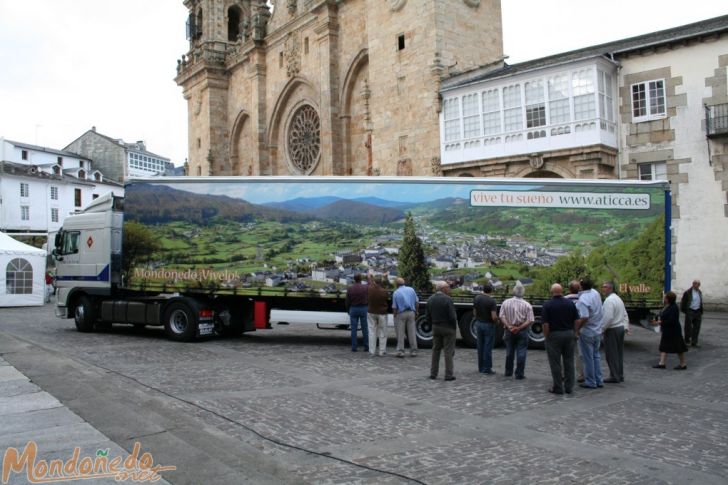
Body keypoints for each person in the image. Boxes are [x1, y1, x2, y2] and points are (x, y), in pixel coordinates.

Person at [542, 283, 579, 394]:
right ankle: (569, 387)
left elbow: (545, 324)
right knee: (569, 361)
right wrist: (575, 332)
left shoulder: (547, 305)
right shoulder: (570, 303)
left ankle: (558, 387)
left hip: (554, 335)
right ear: (562, 291)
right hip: (568, 334)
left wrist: (546, 336)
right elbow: (577, 320)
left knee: (555, 362)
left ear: (551, 291)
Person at [498, 282, 534, 380]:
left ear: (513, 292)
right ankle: (519, 374)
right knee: (521, 352)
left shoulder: (506, 302)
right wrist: (519, 327)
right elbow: (530, 320)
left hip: (509, 329)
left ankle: (508, 371)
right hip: (522, 330)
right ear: (523, 293)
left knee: (509, 351)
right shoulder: (527, 305)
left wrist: (509, 326)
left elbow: (501, 316)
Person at [575, 277, 604, 389]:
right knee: (596, 356)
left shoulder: (583, 299)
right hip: (597, 329)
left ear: (581, 286)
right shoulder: (595, 293)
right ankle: (599, 379)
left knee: (587, 358)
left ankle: (591, 381)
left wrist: (577, 329)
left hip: (587, 331)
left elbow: (584, 317)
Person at [426, 282, 458, 381]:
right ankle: (448, 375)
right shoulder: (448, 299)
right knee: (448, 352)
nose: (449, 289)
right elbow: (452, 316)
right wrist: (454, 327)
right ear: (443, 289)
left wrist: (432, 325)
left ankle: (433, 373)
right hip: (447, 327)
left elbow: (428, 316)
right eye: (448, 287)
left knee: (435, 350)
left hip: (436, 327)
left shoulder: (430, 299)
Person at [601, 281, 630, 383]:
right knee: (618, 353)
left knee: (611, 354)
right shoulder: (618, 299)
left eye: (605, 287)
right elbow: (625, 314)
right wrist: (625, 326)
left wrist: (601, 329)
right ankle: (619, 374)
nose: (603, 289)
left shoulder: (609, 301)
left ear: (610, 288)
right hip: (619, 327)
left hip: (612, 329)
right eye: (603, 287)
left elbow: (608, 317)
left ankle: (614, 375)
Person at [652, 291, 688, 369]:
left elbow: (672, 320)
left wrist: (660, 322)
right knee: (664, 346)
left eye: (665, 297)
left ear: (668, 299)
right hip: (667, 330)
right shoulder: (667, 306)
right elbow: (662, 314)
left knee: (679, 348)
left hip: (674, 331)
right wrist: (658, 319)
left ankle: (683, 364)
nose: (664, 298)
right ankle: (662, 363)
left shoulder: (674, 307)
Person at [473, 282, 498, 374]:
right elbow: (494, 316)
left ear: (483, 289)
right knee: (488, 346)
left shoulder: (477, 298)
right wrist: (497, 322)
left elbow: (474, 313)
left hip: (479, 324)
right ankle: (487, 368)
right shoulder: (492, 301)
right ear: (491, 290)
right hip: (488, 324)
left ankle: (481, 368)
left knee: (480, 346)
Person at [392, 277, 419, 357]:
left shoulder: (396, 292)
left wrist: (394, 315)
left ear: (397, 284)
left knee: (400, 333)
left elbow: (394, 307)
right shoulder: (411, 290)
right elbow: (417, 302)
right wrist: (416, 311)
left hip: (401, 314)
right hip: (411, 312)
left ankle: (401, 351)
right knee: (412, 332)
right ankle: (413, 351)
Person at [565, 280, 584, 383]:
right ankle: (581, 374)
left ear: (569, 289)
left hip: (567, 328)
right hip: (580, 328)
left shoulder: (565, 299)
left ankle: (565, 374)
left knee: (565, 353)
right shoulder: (582, 299)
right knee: (580, 353)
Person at [345, 273, 369, 352]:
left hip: (354, 308)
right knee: (365, 329)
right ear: (361, 279)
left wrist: (348, 310)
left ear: (354, 279)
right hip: (363, 308)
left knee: (353, 329)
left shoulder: (350, 288)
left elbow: (347, 301)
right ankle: (366, 346)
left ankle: (354, 347)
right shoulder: (365, 287)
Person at [367, 275, 389, 356]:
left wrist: (370, 278)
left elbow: (371, 284)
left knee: (372, 332)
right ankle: (382, 351)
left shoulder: (369, 289)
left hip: (371, 312)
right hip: (382, 313)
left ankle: (372, 351)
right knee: (382, 332)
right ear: (381, 282)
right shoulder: (384, 291)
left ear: (374, 282)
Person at [680, 279, 703, 347]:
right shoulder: (688, 292)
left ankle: (694, 341)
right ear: (693, 284)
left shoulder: (699, 292)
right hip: (690, 310)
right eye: (696, 284)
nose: (697, 285)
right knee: (688, 327)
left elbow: (700, 302)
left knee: (697, 327)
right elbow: (683, 302)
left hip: (698, 311)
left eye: (698, 284)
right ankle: (687, 340)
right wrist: (685, 311)